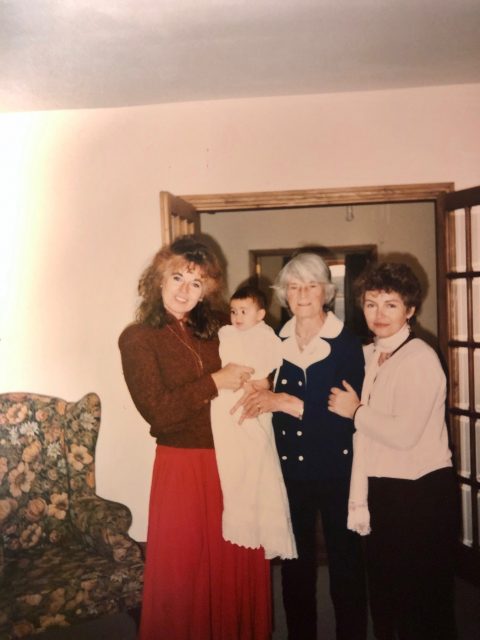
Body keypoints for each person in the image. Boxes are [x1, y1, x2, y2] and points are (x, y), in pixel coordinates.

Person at [118, 236, 272, 640]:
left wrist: (263, 386)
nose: (186, 290)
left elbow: (261, 353)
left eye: (197, 282)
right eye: (178, 278)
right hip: (183, 466)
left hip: (233, 459)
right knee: (185, 573)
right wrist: (215, 382)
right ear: (158, 280)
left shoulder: (221, 325)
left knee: (234, 559)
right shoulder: (137, 338)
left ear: (208, 290)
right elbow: (159, 412)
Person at [237, 252, 368, 640]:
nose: (303, 294)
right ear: (284, 295)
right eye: (294, 287)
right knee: (294, 563)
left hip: (335, 468)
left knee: (344, 563)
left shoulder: (346, 343)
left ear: (326, 291)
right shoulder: (271, 338)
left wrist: (285, 402)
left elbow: (345, 411)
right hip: (288, 469)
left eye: (311, 285)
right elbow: (259, 387)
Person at [328, 261, 457, 640]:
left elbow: (403, 435)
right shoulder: (369, 355)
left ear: (410, 310)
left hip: (419, 493)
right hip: (382, 489)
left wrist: (356, 412)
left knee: (422, 601)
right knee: (385, 596)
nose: (379, 314)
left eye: (391, 304)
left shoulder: (420, 358)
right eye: (371, 304)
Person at [211, 284, 297, 560]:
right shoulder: (226, 332)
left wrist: (254, 383)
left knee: (257, 459)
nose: (236, 317)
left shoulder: (265, 336)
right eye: (233, 311)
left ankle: (262, 521)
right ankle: (239, 516)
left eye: (244, 311)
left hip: (252, 400)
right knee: (231, 463)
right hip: (225, 401)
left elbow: (266, 373)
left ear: (260, 314)